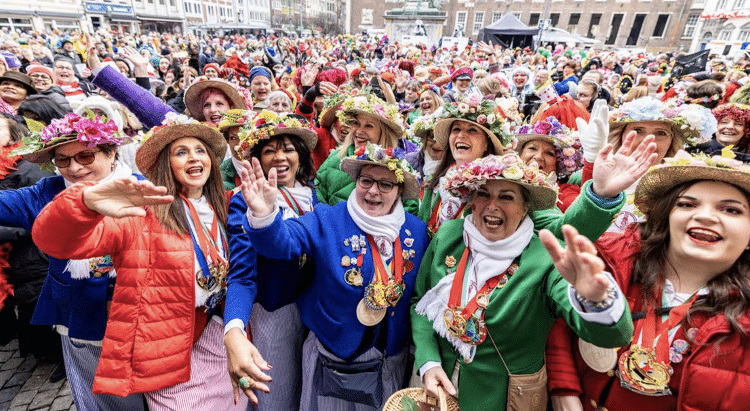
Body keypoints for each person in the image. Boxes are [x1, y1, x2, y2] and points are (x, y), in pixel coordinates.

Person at [31, 115, 257, 410]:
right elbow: (57, 242)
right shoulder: (143, 212)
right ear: (165, 163)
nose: (193, 158)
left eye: (200, 150)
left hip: (221, 335)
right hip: (171, 351)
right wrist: (83, 204)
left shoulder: (225, 205)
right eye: (181, 152)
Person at [411, 152, 637, 410]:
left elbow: (612, 336)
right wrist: (429, 362)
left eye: (506, 197)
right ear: (472, 199)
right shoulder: (449, 236)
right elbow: (420, 303)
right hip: (437, 390)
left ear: (526, 206)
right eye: (483, 193)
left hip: (505, 400)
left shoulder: (544, 258)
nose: (492, 205)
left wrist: (597, 301)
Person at [546, 150, 750, 411]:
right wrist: (564, 393)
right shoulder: (614, 261)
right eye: (687, 204)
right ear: (666, 217)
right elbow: (561, 321)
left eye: (731, 210)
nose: (706, 216)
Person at [239, 142, 429, 410]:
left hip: (390, 360)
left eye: (386, 185)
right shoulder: (327, 218)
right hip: (333, 356)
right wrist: (263, 215)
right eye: (366, 181)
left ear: (399, 191)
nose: (373, 191)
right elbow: (281, 243)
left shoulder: (416, 231)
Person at [1, 113, 145, 411]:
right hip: (82, 320)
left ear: (112, 152)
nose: (75, 167)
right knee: (101, 401)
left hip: (142, 320)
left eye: (86, 155)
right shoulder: (47, 192)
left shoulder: (142, 190)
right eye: (63, 160)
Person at [224, 110, 318, 410]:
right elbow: (241, 273)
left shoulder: (313, 195)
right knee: (276, 396)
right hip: (275, 311)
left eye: (288, 148)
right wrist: (234, 328)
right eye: (269, 150)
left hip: (314, 312)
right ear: (257, 160)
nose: (280, 157)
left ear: (301, 156)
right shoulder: (245, 200)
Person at [417, 96, 511, 235]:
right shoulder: (436, 180)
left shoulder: (497, 184)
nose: (461, 135)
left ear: (487, 143)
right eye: (456, 129)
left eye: (472, 130)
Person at [314, 94, 406, 207]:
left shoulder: (399, 166)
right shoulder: (334, 159)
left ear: (384, 132)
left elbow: (410, 210)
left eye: (368, 126)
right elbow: (317, 201)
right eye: (356, 123)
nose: (359, 131)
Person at [516, 117, 584, 211]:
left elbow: (579, 210)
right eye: (532, 148)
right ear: (519, 154)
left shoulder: (564, 194)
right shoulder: (501, 182)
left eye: (549, 153)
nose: (539, 156)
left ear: (558, 164)